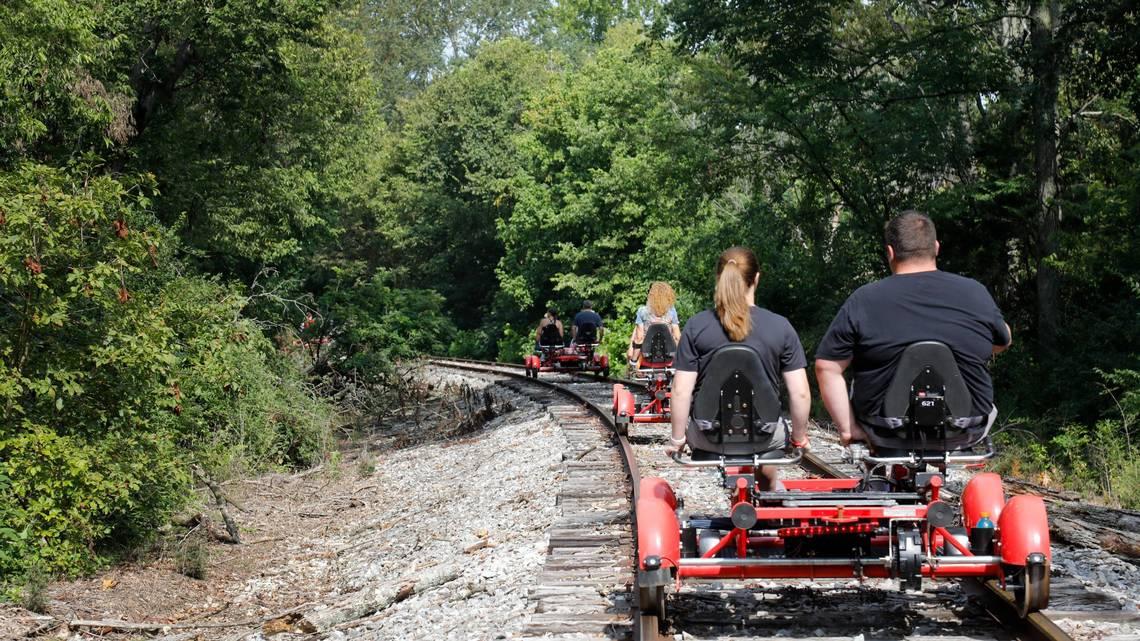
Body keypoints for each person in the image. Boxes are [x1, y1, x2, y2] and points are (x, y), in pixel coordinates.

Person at [814, 211, 1013, 447]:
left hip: (885, 430)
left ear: (890, 252)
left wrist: (848, 429)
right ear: (936, 247)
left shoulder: (864, 300)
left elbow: (827, 367)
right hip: (965, 426)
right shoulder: (975, 292)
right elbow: (1003, 342)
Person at [664, 247, 811, 490]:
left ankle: (759, 487)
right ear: (756, 278)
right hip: (765, 437)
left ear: (718, 278)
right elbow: (801, 394)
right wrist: (799, 439)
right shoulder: (780, 326)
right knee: (774, 435)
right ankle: (768, 487)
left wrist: (677, 440)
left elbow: (680, 391)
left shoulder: (697, 326)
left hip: (708, 437)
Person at [627, 282, 681, 364]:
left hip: (646, 356)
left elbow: (639, 338)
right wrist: (681, 358)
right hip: (668, 356)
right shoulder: (671, 311)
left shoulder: (642, 311)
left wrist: (633, 361)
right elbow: (677, 337)